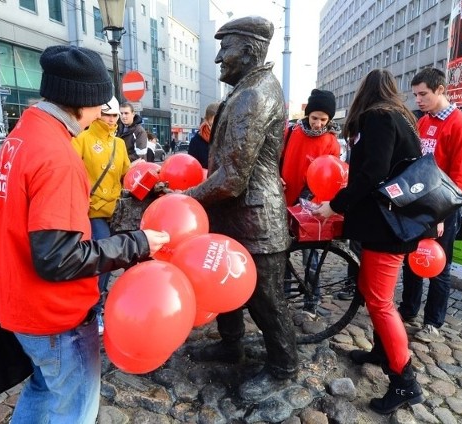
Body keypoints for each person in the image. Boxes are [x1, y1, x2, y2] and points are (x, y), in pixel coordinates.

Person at [0, 45, 169, 424]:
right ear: (83, 102)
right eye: (101, 103)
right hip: (54, 315)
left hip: (19, 302)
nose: (104, 112)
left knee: (42, 388)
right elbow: (59, 258)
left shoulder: (22, 135)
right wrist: (139, 242)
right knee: (75, 408)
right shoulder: (57, 154)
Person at [184, 16, 298, 402]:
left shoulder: (255, 94)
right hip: (232, 216)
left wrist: (187, 198)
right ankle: (231, 344)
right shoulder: (246, 89)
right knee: (223, 284)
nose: (218, 58)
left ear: (248, 51)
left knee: (266, 300)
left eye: (225, 48)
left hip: (255, 220)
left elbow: (232, 177)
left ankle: (284, 368)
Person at [312, 69, 426, 414]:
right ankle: (381, 352)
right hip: (393, 222)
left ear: (365, 93)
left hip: (385, 227)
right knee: (373, 291)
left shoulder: (378, 117)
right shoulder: (403, 118)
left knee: (380, 303)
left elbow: (372, 173)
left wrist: (336, 203)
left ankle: (406, 383)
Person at [398, 67, 462, 343]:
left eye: (423, 94)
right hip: (418, 205)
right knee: (412, 260)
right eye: (416, 95)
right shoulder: (424, 122)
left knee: (438, 265)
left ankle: (433, 322)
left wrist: (442, 215)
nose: (418, 100)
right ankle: (407, 310)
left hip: (443, 209)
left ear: (440, 90)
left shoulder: (460, 124)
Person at [72, 95, 130, 334]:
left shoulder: (120, 144)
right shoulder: (81, 140)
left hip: (117, 211)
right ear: (98, 114)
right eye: (107, 114)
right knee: (103, 261)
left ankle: (128, 307)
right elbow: (71, 174)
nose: (111, 119)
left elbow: (126, 175)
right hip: (93, 210)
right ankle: (94, 310)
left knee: (130, 257)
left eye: (115, 115)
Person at [279, 88, 340, 315]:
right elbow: (278, 157)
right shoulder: (292, 132)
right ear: (307, 113)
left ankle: (311, 302)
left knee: (311, 256)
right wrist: (277, 175)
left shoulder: (332, 142)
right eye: (315, 118)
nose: (318, 123)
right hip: (285, 200)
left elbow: (333, 176)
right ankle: (283, 295)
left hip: (312, 207)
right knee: (282, 252)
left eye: (323, 119)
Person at [188, 102, 220, 169]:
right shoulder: (195, 142)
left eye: (219, 124)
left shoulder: (224, 140)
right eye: (213, 124)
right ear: (206, 120)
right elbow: (191, 167)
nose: (216, 128)